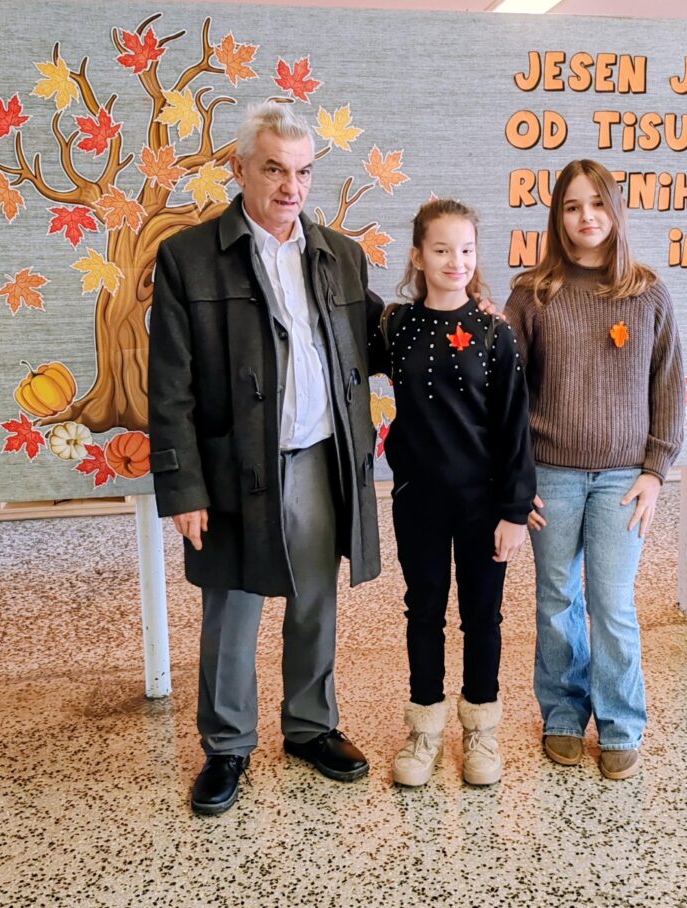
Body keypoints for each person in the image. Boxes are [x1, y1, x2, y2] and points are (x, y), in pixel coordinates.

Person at [148, 102, 383, 815]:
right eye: (275, 169)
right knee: (231, 605)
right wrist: (183, 486)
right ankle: (226, 745)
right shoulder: (189, 258)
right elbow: (171, 384)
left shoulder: (339, 255)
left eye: (303, 171)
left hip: (318, 456)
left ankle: (310, 727)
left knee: (314, 598)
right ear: (239, 168)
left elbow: (382, 340)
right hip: (232, 465)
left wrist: (461, 316)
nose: (291, 186)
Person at [505, 159, 685, 781]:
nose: (586, 217)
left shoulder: (647, 293)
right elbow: (508, 396)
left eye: (597, 204)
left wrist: (655, 471)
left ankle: (620, 723)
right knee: (557, 599)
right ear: (557, 217)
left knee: (611, 603)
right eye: (572, 206)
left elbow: (668, 386)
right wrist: (515, 478)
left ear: (615, 211)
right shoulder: (533, 294)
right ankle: (561, 712)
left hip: (623, 480)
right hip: (549, 475)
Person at [371, 200, 535, 787]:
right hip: (418, 498)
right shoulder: (395, 327)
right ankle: (425, 729)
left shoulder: (495, 333)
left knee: (482, 616)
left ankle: (481, 729)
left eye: (466, 250)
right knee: (424, 611)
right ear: (418, 256)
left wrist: (515, 510)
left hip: (483, 503)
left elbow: (514, 426)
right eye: (441, 249)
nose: (455, 261)